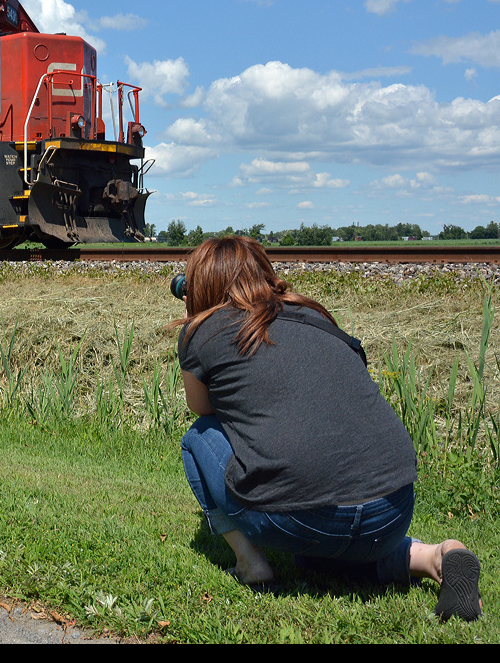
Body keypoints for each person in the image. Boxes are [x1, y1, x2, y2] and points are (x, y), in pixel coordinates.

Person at [174, 236, 482, 621]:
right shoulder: (312, 314)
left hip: (300, 521)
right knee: (312, 557)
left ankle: (252, 564)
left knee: (197, 437)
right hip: (392, 511)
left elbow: (202, 408)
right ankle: (434, 556)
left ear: (201, 287)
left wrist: (195, 323)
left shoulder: (203, 331)